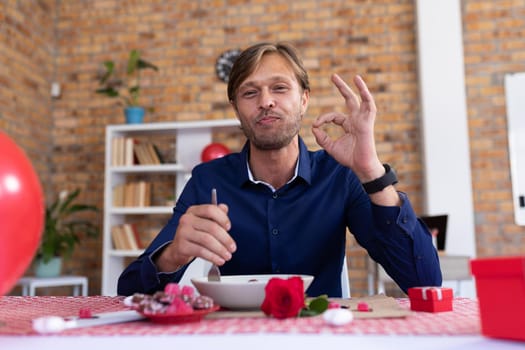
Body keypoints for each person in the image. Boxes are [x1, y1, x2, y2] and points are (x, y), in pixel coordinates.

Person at [117, 42, 442, 297]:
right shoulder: (208, 180)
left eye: (280, 88)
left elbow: (424, 281)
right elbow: (128, 291)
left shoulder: (340, 176)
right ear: (236, 109)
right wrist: (172, 256)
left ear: (304, 100)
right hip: (237, 337)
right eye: (250, 92)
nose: (266, 101)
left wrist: (371, 171)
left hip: (320, 336)